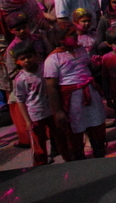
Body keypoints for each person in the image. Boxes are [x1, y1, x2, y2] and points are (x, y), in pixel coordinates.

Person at [44, 23, 107, 161]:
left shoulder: (80, 50)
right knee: (75, 130)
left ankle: (100, 157)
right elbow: (51, 87)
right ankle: (79, 162)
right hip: (72, 100)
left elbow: (89, 68)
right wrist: (58, 111)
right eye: (71, 34)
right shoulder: (52, 59)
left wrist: (95, 65)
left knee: (96, 125)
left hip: (90, 94)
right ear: (61, 39)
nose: (75, 36)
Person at [13, 40, 62, 167]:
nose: (27, 60)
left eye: (29, 56)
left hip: (52, 110)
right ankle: (40, 166)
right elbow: (20, 101)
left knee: (61, 137)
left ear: (35, 55)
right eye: (22, 59)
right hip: (35, 114)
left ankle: (70, 160)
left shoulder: (45, 68)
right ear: (17, 62)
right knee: (38, 144)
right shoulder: (20, 79)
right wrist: (27, 121)